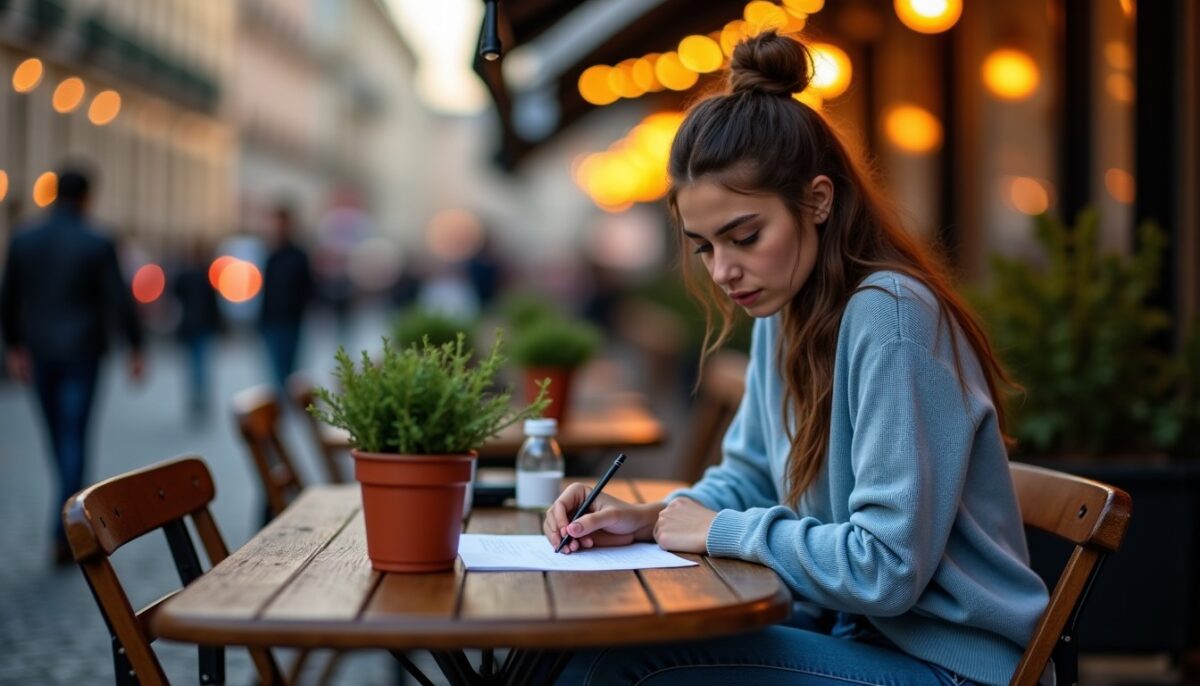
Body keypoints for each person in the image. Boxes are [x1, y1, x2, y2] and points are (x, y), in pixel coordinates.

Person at [542, 32, 1049, 686]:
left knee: (620, 667)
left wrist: (720, 530)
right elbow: (749, 477)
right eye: (703, 247)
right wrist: (647, 520)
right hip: (851, 632)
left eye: (745, 236)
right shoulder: (785, 309)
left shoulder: (892, 319)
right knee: (579, 650)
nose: (724, 270)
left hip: (944, 663)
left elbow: (884, 567)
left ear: (817, 201)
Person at [0, 166, 144, 565]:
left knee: (56, 435)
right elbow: (118, 297)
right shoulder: (97, 240)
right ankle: (67, 529)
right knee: (74, 434)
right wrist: (135, 346)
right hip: (83, 350)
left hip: (41, 349)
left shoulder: (25, 238)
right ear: (87, 197)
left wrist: (13, 345)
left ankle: (64, 526)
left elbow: (8, 296)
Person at [259, 204, 313, 394]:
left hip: (292, 321)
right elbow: (266, 291)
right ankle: (281, 404)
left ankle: (287, 401)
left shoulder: (299, 256)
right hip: (272, 321)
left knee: (290, 369)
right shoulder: (271, 256)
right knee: (276, 370)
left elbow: (308, 288)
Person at [172, 238, 223, 423]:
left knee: (193, 364)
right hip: (203, 325)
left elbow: (175, 294)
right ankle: (200, 397)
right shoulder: (206, 275)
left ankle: (196, 396)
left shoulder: (185, 274)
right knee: (201, 363)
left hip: (190, 326)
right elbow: (214, 303)